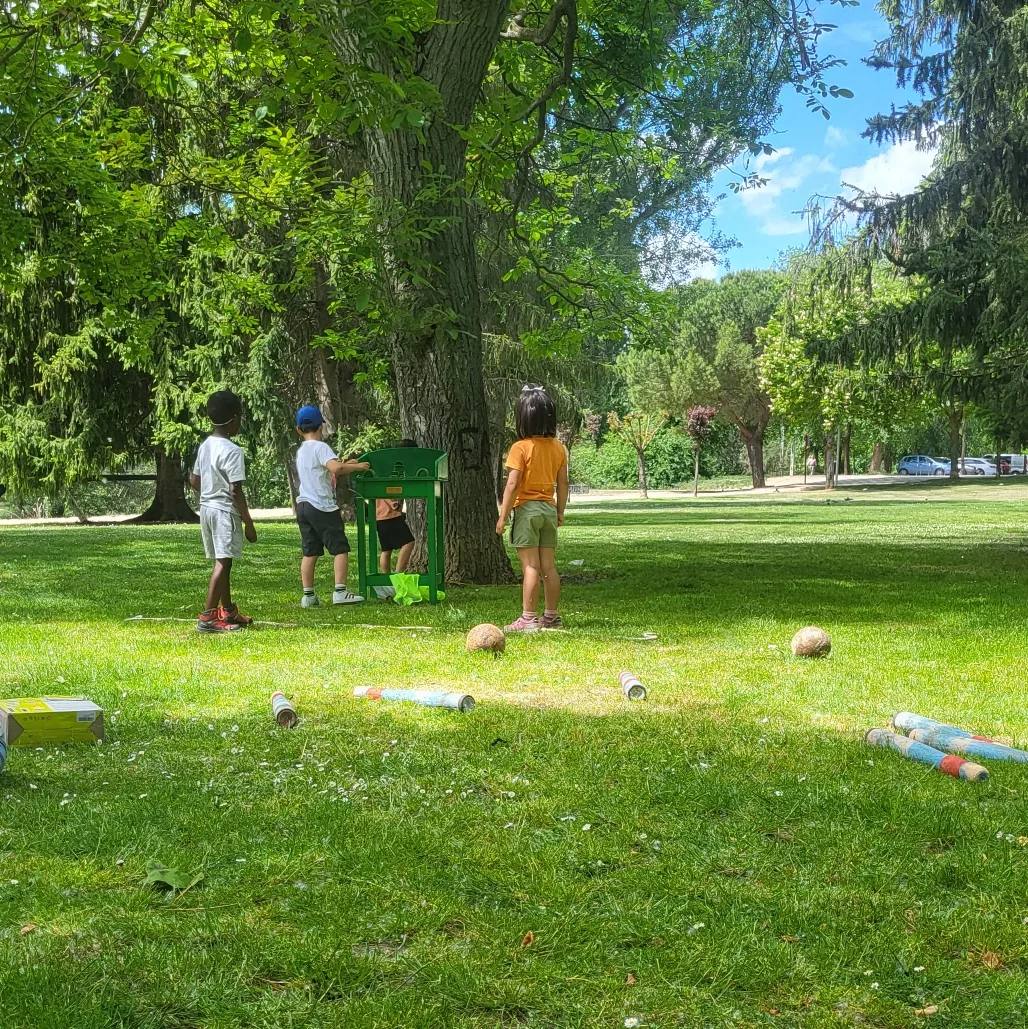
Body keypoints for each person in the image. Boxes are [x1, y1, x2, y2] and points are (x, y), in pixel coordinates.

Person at [495, 385, 569, 632]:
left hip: (527, 511)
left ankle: (528, 618)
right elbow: (563, 483)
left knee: (530, 566)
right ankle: (552, 616)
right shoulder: (558, 448)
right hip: (548, 510)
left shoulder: (520, 447)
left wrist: (503, 516)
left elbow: (513, 484)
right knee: (549, 566)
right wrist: (560, 511)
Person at [189, 389, 257, 634]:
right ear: (233, 419)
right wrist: (249, 523)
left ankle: (227, 610)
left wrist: (210, 490)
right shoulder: (232, 451)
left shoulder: (205, 445)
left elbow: (194, 480)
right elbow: (235, 491)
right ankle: (207, 617)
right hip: (224, 512)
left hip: (206, 509)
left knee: (224, 561)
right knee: (223, 562)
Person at [294, 404, 370, 607]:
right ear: (321, 426)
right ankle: (340, 592)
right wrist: (357, 467)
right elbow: (335, 468)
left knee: (310, 551)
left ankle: (308, 596)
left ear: (298, 430)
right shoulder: (321, 447)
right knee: (340, 548)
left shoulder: (302, 451)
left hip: (303, 506)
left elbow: (325, 468)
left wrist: (347, 462)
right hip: (322, 507)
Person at [376, 437, 417, 576]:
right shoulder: (393, 467)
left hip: (381, 515)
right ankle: (398, 574)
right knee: (409, 542)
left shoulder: (389, 465)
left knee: (386, 549)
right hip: (389, 514)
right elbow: (383, 487)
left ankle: (386, 579)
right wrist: (392, 502)